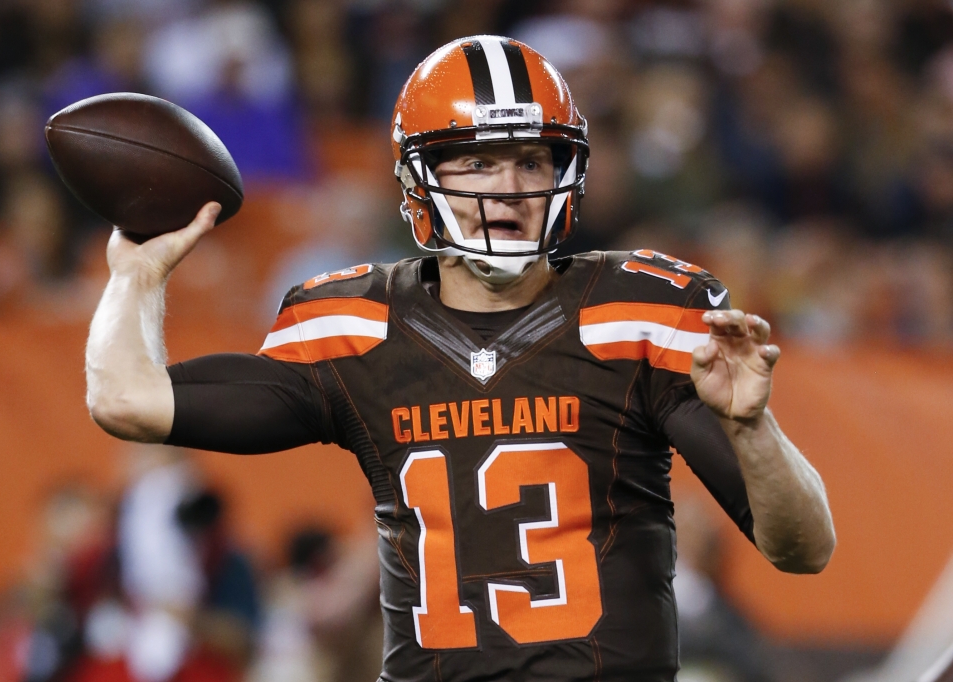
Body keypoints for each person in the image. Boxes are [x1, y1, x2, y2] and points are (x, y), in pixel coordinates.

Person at [85, 36, 835, 682]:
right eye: (477, 164)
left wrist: (753, 428)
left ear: (563, 174)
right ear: (420, 181)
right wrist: (138, 275)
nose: (508, 190)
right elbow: (127, 400)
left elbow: (803, 550)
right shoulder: (353, 326)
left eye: (532, 163)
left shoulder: (639, 315)